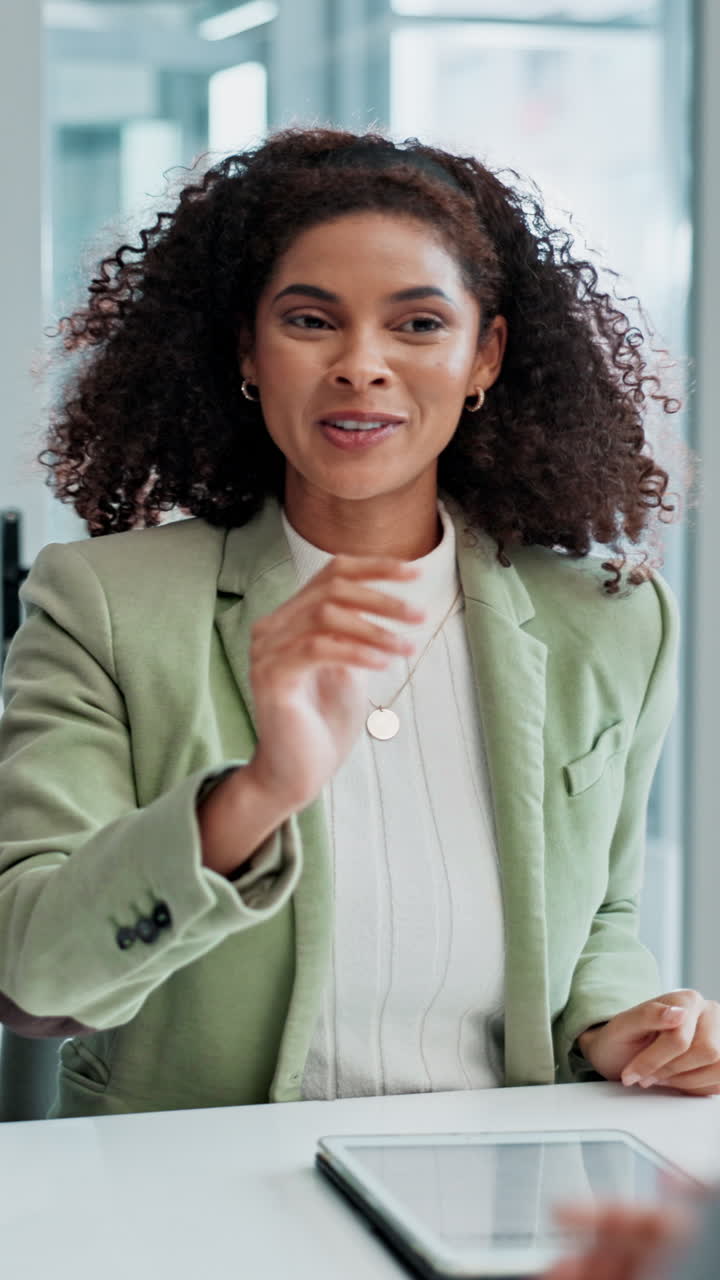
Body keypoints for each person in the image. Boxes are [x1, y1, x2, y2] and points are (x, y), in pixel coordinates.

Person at [0, 127, 718, 1119]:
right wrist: (259, 793)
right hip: (196, 1200)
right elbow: (36, 976)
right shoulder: (103, 605)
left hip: (502, 1185)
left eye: (419, 323)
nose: (362, 365)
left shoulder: (613, 620)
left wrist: (623, 1019)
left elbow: (600, 913)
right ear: (248, 349)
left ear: (485, 354)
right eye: (309, 320)